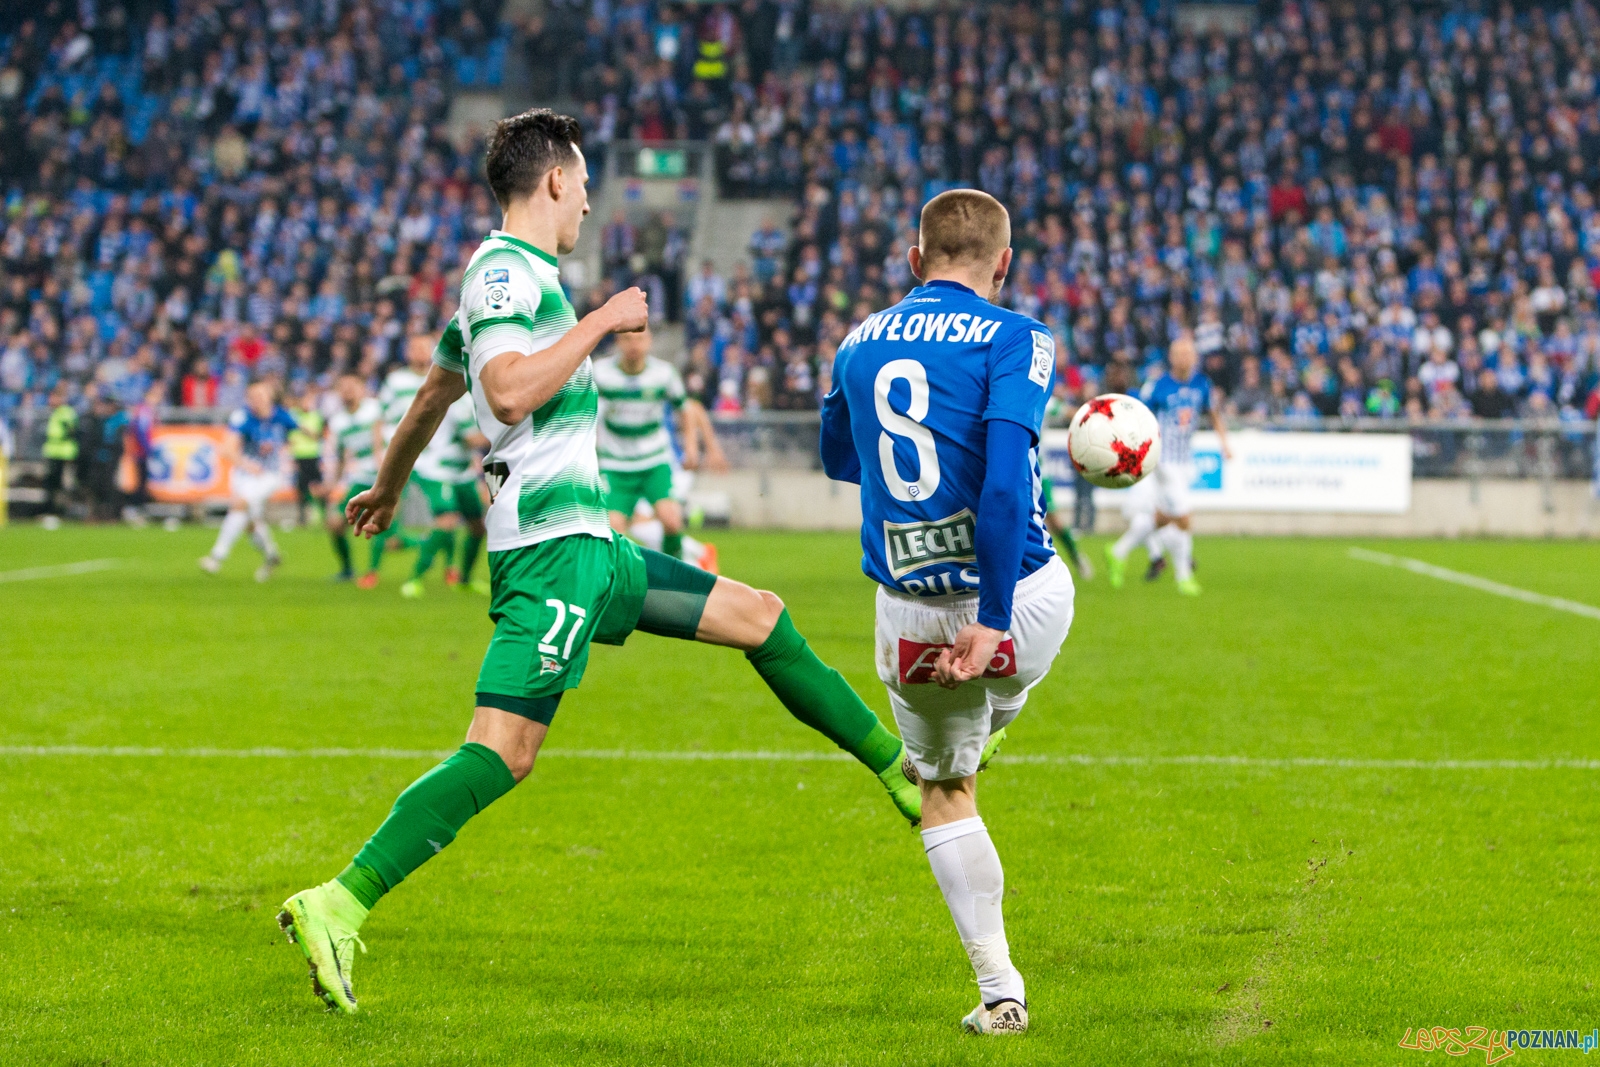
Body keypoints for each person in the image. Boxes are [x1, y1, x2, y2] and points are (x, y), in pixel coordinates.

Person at [277, 110, 920, 1015]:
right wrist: (600, 322)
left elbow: (435, 393)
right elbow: (502, 390)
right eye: (581, 183)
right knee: (503, 751)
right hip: (551, 558)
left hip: (594, 549)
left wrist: (387, 487)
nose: (586, 199)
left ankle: (899, 768)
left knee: (760, 615)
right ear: (550, 183)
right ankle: (339, 899)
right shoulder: (506, 275)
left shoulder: (511, 280)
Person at [820, 189, 1076, 1036]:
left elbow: (837, 458)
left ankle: (1002, 989)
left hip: (916, 619)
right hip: (1026, 604)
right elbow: (1005, 486)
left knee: (945, 786)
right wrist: (997, 614)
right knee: (1002, 681)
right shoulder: (1018, 337)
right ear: (1003, 264)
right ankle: (1000, 704)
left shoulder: (857, 342)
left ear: (912, 258)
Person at [593, 323, 721, 570]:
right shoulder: (600, 373)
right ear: (618, 342)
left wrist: (692, 449)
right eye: (628, 339)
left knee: (671, 520)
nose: (634, 345)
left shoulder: (663, 374)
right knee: (612, 529)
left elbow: (686, 409)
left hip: (654, 461)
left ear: (649, 341)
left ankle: (674, 575)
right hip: (615, 464)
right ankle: (616, 582)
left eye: (639, 339)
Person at [1135, 333, 1231, 596]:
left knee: (1167, 518)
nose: (1185, 358)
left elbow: (1214, 415)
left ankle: (1124, 548)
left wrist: (1225, 444)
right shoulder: (1158, 385)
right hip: (1163, 460)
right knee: (1185, 517)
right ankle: (1184, 574)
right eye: (1180, 353)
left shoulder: (1202, 383)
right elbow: (1141, 416)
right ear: (1172, 357)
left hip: (1184, 460)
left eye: (1189, 353)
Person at [199, 380, 296, 581]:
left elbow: (299, 432)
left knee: (239, 505)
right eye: (252, 397)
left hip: (269, 475)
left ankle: (217, 556)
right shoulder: (243, 417)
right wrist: (246, 464)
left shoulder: (282, 415)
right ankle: (271, 555)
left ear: (270, 396)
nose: (256, 401)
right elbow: (227, 449)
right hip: (244, 474)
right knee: (249, 521)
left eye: (260, 396)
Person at [400, 382, 490, 598]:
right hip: (438, 469)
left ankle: (465, 579)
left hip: (463, 471)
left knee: (477, 526)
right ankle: (415, 578)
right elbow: (471, 439)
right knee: (447, 521)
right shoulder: (458, 402)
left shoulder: (473, 399)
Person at [359, 334, 433, 587]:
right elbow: (380, 418)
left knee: (446, 512)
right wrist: (380, 453)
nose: (419, 352)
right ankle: (373, 570)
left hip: (434, 458)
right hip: (400, 454)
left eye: (424, 347)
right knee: (385, 508)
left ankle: (450, 570)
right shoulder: (395, 380)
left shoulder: (443, 377)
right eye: (414, 347)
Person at [324, 372, 383, 582]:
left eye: (352, 386)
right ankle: (348, 570)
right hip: (360, 477)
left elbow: (383, 439)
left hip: (384, 475)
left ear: (362, 388)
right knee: (335, 523)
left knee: (386, 530)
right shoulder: (337, 422)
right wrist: (333, 483)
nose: (348, 391)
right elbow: (340, 457)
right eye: (343, 387)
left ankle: (372, 573)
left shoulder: (375, 409)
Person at [1039, 393, 1092, 578]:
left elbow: (1068, 412)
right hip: (1009, 471)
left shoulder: (1037, 395)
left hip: (1036, 473)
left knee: (1053, 520)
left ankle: (1076, 556)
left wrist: (1092, 417)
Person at [287, 383, 326, 527]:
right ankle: (302, 517)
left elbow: (316, 435)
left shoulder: (316, 417)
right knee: (301, 488)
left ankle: (323, 513)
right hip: (299, 456)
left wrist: (301, 427)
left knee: (319, 486)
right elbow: (290, 436)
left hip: (313, 455)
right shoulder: (294, 416)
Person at [41, 383, 78, 525]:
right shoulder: (55, 412)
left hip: (63, 454)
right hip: (53, 452)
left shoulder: (65, 412)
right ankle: (51, 511)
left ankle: (59, 512)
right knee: (51, 484)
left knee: (60, 485)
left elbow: (71, 432)